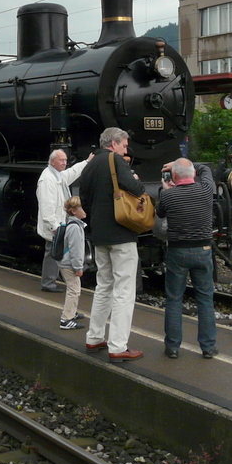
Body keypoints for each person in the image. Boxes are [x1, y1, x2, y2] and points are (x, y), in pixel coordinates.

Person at [79, 126, 147, 361]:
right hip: (121, 234)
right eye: (125, 145)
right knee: (124, 290)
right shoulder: (116, 160)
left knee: (103, 286)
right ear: (115, 143)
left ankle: (94, 337)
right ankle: (118, 346)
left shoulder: (89, 165)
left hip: (99, 235)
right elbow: (137, 189)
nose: (126, 150)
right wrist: (136, 178)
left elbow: (84, 202)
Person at [157, 158, 218, 359]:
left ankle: (173, 347)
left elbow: (160, 214)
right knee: (205, 299)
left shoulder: (168, 195)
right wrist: (178, 162)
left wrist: (165, 190)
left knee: (174, 299)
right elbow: (205, 168)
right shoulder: (207, 189)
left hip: (178, 252)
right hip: (203, 250)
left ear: (174, 177)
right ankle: (208, 347)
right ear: (193, 174)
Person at [36, 148, 91, 292]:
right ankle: (48, 283)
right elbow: (47, 206)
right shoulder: (47, 179)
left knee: (57, 251)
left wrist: (86, 162)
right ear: (52, 161)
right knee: (53, 252)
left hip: (61, 222)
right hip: (55, 224)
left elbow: (71, 173)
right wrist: (54, 227)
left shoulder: (57, 175)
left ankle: (54, 280)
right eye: (61, 160)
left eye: (66, 160)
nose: (64, 163)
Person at [57, 196, 88, 329]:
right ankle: (66, 320)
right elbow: (76, 250)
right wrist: (78, 267)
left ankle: (72, 312)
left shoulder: (73, 224)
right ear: (74, 211)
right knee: (74, 291)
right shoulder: (75, 228)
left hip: (66, 263)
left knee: (74, 289)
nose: (85, 210)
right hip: (69, 264)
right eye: (82, 207)